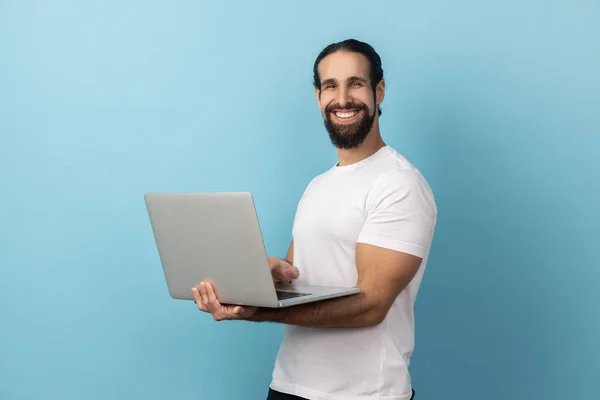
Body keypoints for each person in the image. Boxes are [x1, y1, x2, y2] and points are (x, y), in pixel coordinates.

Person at [192, 39, 437, 400]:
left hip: (365, 394)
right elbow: (300, 277)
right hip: (289, 386)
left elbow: (371, 304)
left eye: (355, 83)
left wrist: (259, 313)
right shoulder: (318, 186)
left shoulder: (399, 183)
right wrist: (261, 282)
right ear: (318, 97)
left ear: (378, 91)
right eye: (330, 86)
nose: (342, 99)